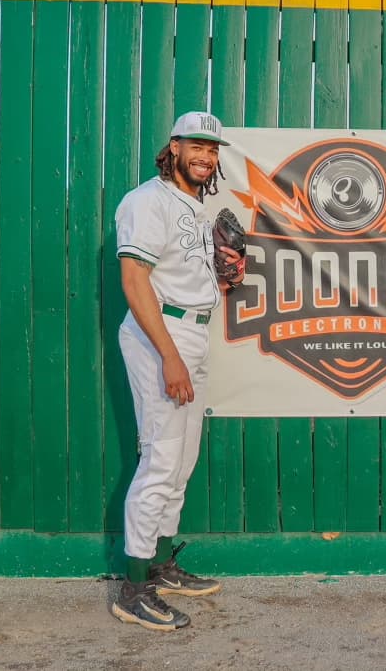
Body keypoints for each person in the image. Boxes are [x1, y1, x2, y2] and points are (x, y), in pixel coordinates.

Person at [110, 111, 244, 631]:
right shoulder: (147, 201)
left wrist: (224, 277)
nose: (205, 156)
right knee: (161, 460)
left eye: (212, 149)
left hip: (192, 330)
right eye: (196, 145)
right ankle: (133, 588)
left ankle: (161, 564)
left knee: (181, 460)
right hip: (159, 334)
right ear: (174, 146)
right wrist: (168, 355)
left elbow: (184, 275)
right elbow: (135, 280)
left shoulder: (192, 205)